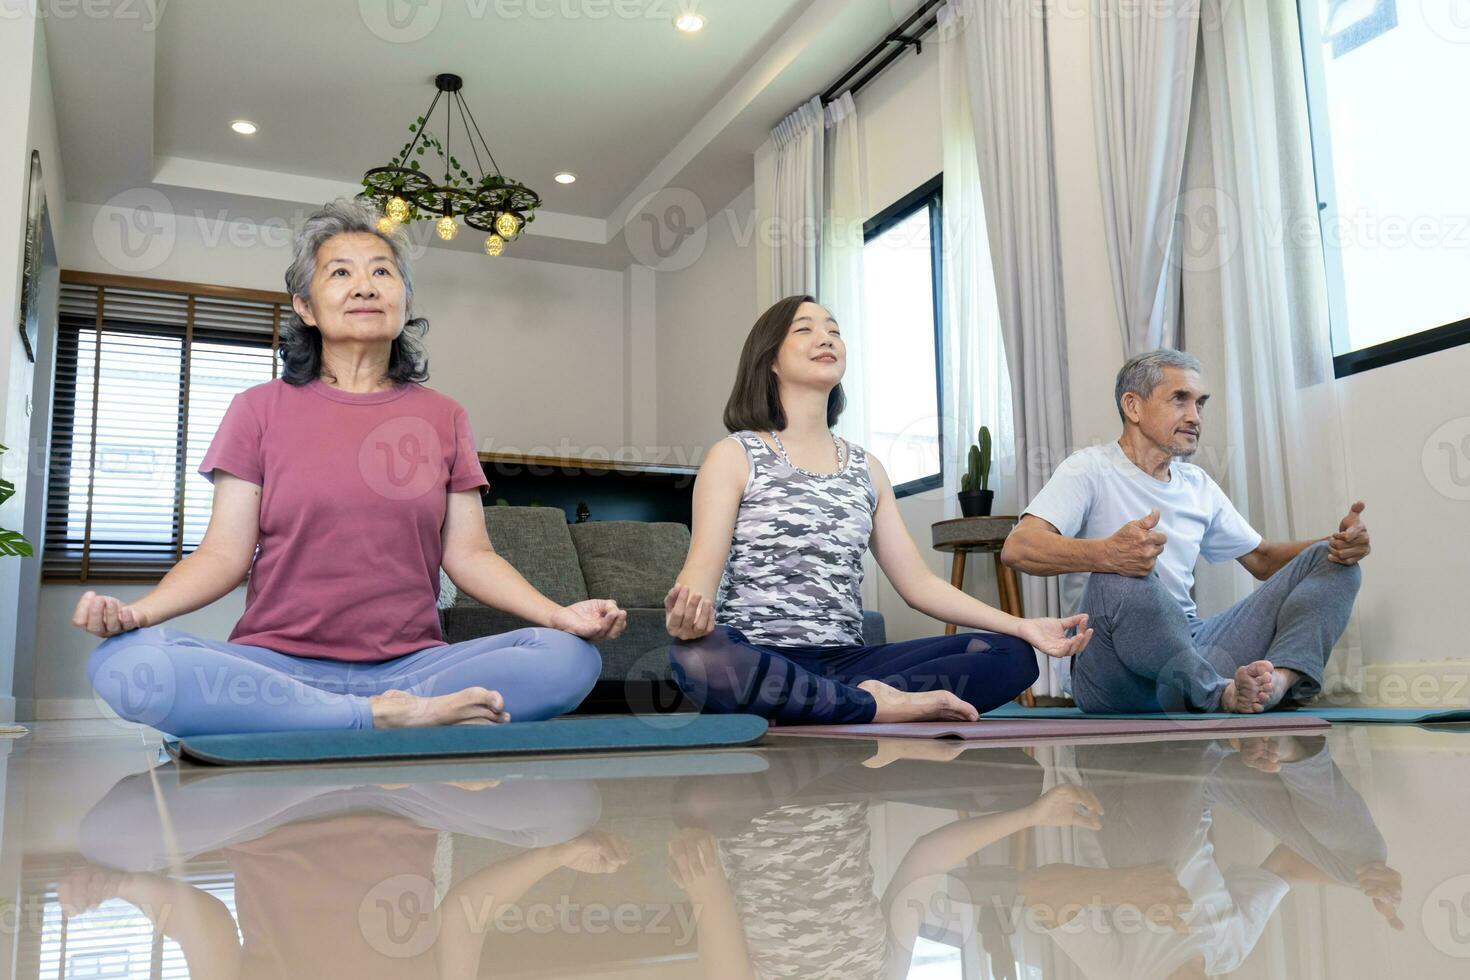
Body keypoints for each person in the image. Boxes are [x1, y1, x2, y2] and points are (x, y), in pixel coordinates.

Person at [79, 198, 622, 736]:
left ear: (405, 304)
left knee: (568, 659)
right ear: (306, 307)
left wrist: (559, 616)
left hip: (414, 670)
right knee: (122, 663)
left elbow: (471, 554)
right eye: (340, 272)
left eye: (382, 272)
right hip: (279, 668)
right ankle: (372, 721)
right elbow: (223, 554)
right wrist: (139, 615)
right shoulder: (257, 410)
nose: (365, 286)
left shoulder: (444, 416)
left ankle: (325, 723)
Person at [664, 295, 1093, 726]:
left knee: (1011, 656)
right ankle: (873, 707)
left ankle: (840, 704)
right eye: (805, 329)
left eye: (834, 330)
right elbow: (701, 572)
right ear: (769, 358)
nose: (826, 338)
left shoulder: (867, 468)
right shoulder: (736, 454)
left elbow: (918, 583)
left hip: (848, 664)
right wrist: (687, 616)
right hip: (758, 655)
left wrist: (1024, 627)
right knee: (699, 659)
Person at [1001, 349, 1368, 714]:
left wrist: (1337, 545)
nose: (1195, 416)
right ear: (1133, 407)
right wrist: (1107, 554)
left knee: (1330, 563)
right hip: (1111, 670)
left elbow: (1262, 559)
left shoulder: (1197, 484)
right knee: (1123, 575)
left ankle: (1278, 683)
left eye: (1200, 403)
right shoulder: (1088, 469)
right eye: (1180, 399)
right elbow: (1018, 548)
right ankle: (1216, 694)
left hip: (1191, 650)